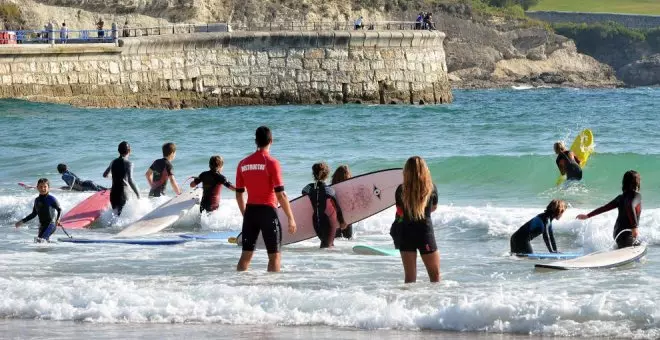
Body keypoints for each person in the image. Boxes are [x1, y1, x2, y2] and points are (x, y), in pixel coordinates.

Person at [235, 126, 297, 272]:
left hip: (250, 212)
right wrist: (290, 218)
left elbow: (239, 194)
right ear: (271, 141)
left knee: (246, 255)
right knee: (274, 256)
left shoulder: (243, 163)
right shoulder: (272, 162)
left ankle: (239, 286)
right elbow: (280, 194)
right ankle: (272, 290)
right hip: (268, 212)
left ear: (255, 141)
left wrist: (246, 215)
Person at [390, 156, 440, 283]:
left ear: (406, 171)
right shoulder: (431, 188)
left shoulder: (400, 190)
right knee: (435, 277)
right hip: (425, 233)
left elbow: (400, 212)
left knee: (410, 278)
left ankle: (408, 303)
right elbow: (433, 208)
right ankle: (437, 301)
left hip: (406, 234)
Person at [577, 170, 642, 249]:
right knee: (641, 249)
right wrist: (634, 227)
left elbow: (604, 208)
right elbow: (630, 205)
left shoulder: (620, 197)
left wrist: (587, 215)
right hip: (626, 236)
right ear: (637, 182)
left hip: (617, 234)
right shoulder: (637, 196)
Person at [302, 162, 346, 248]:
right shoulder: (329, 190)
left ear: (313, 174)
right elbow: (337, 208)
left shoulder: (309, 188)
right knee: (326, 247)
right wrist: (342, 222)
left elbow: (303, 192)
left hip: (316, 222)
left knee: (327, 246)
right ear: (327, 175)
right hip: (328, 222)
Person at [103, 141, 140, 216]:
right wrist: (138, 194)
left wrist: (115, 177)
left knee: (115, 216)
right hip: (123, 194)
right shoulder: (129, 163)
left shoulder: (113, 162)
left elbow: (105, 175)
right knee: (122, 217)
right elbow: (130, 180)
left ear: (118, 151)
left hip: (113, 194)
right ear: (129, 151)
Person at [332, 165, 353, 239]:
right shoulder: (350, 188)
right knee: (348, 239)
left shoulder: (331, 189)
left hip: (335, 218)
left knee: (336, 240)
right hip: (347, 218)